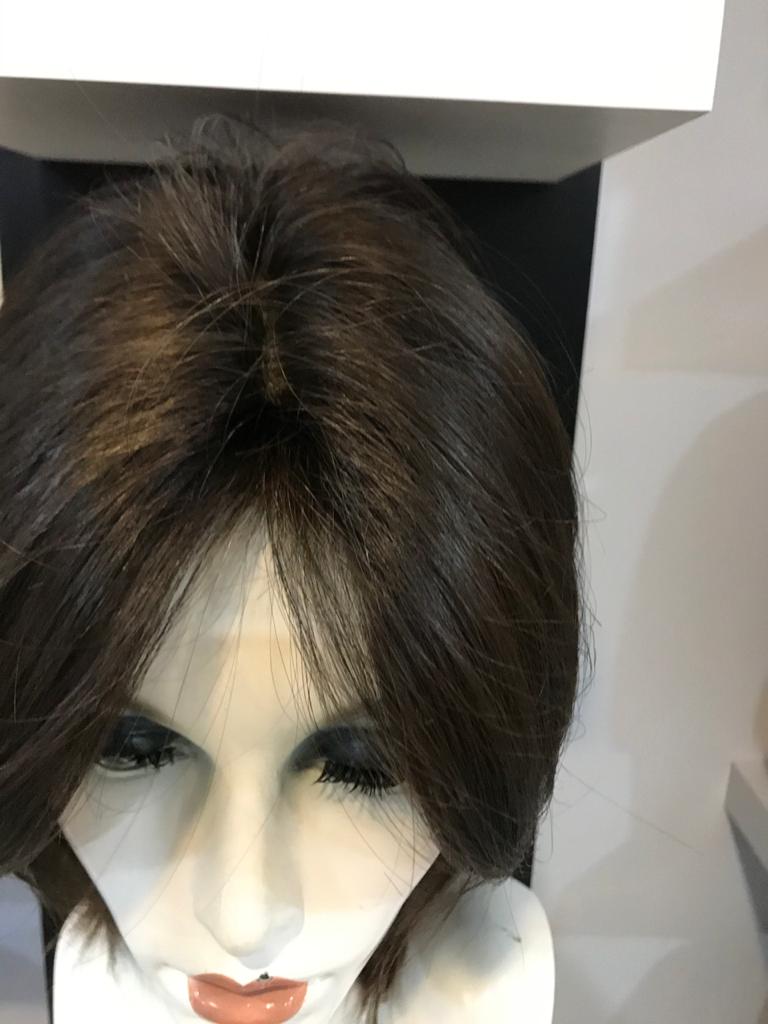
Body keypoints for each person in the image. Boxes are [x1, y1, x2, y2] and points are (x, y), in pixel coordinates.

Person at [0, 113, 587, 1023]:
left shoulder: (491, 992)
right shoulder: (94, 981)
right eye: (133, 748)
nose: (243, 920)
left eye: (362, 761)